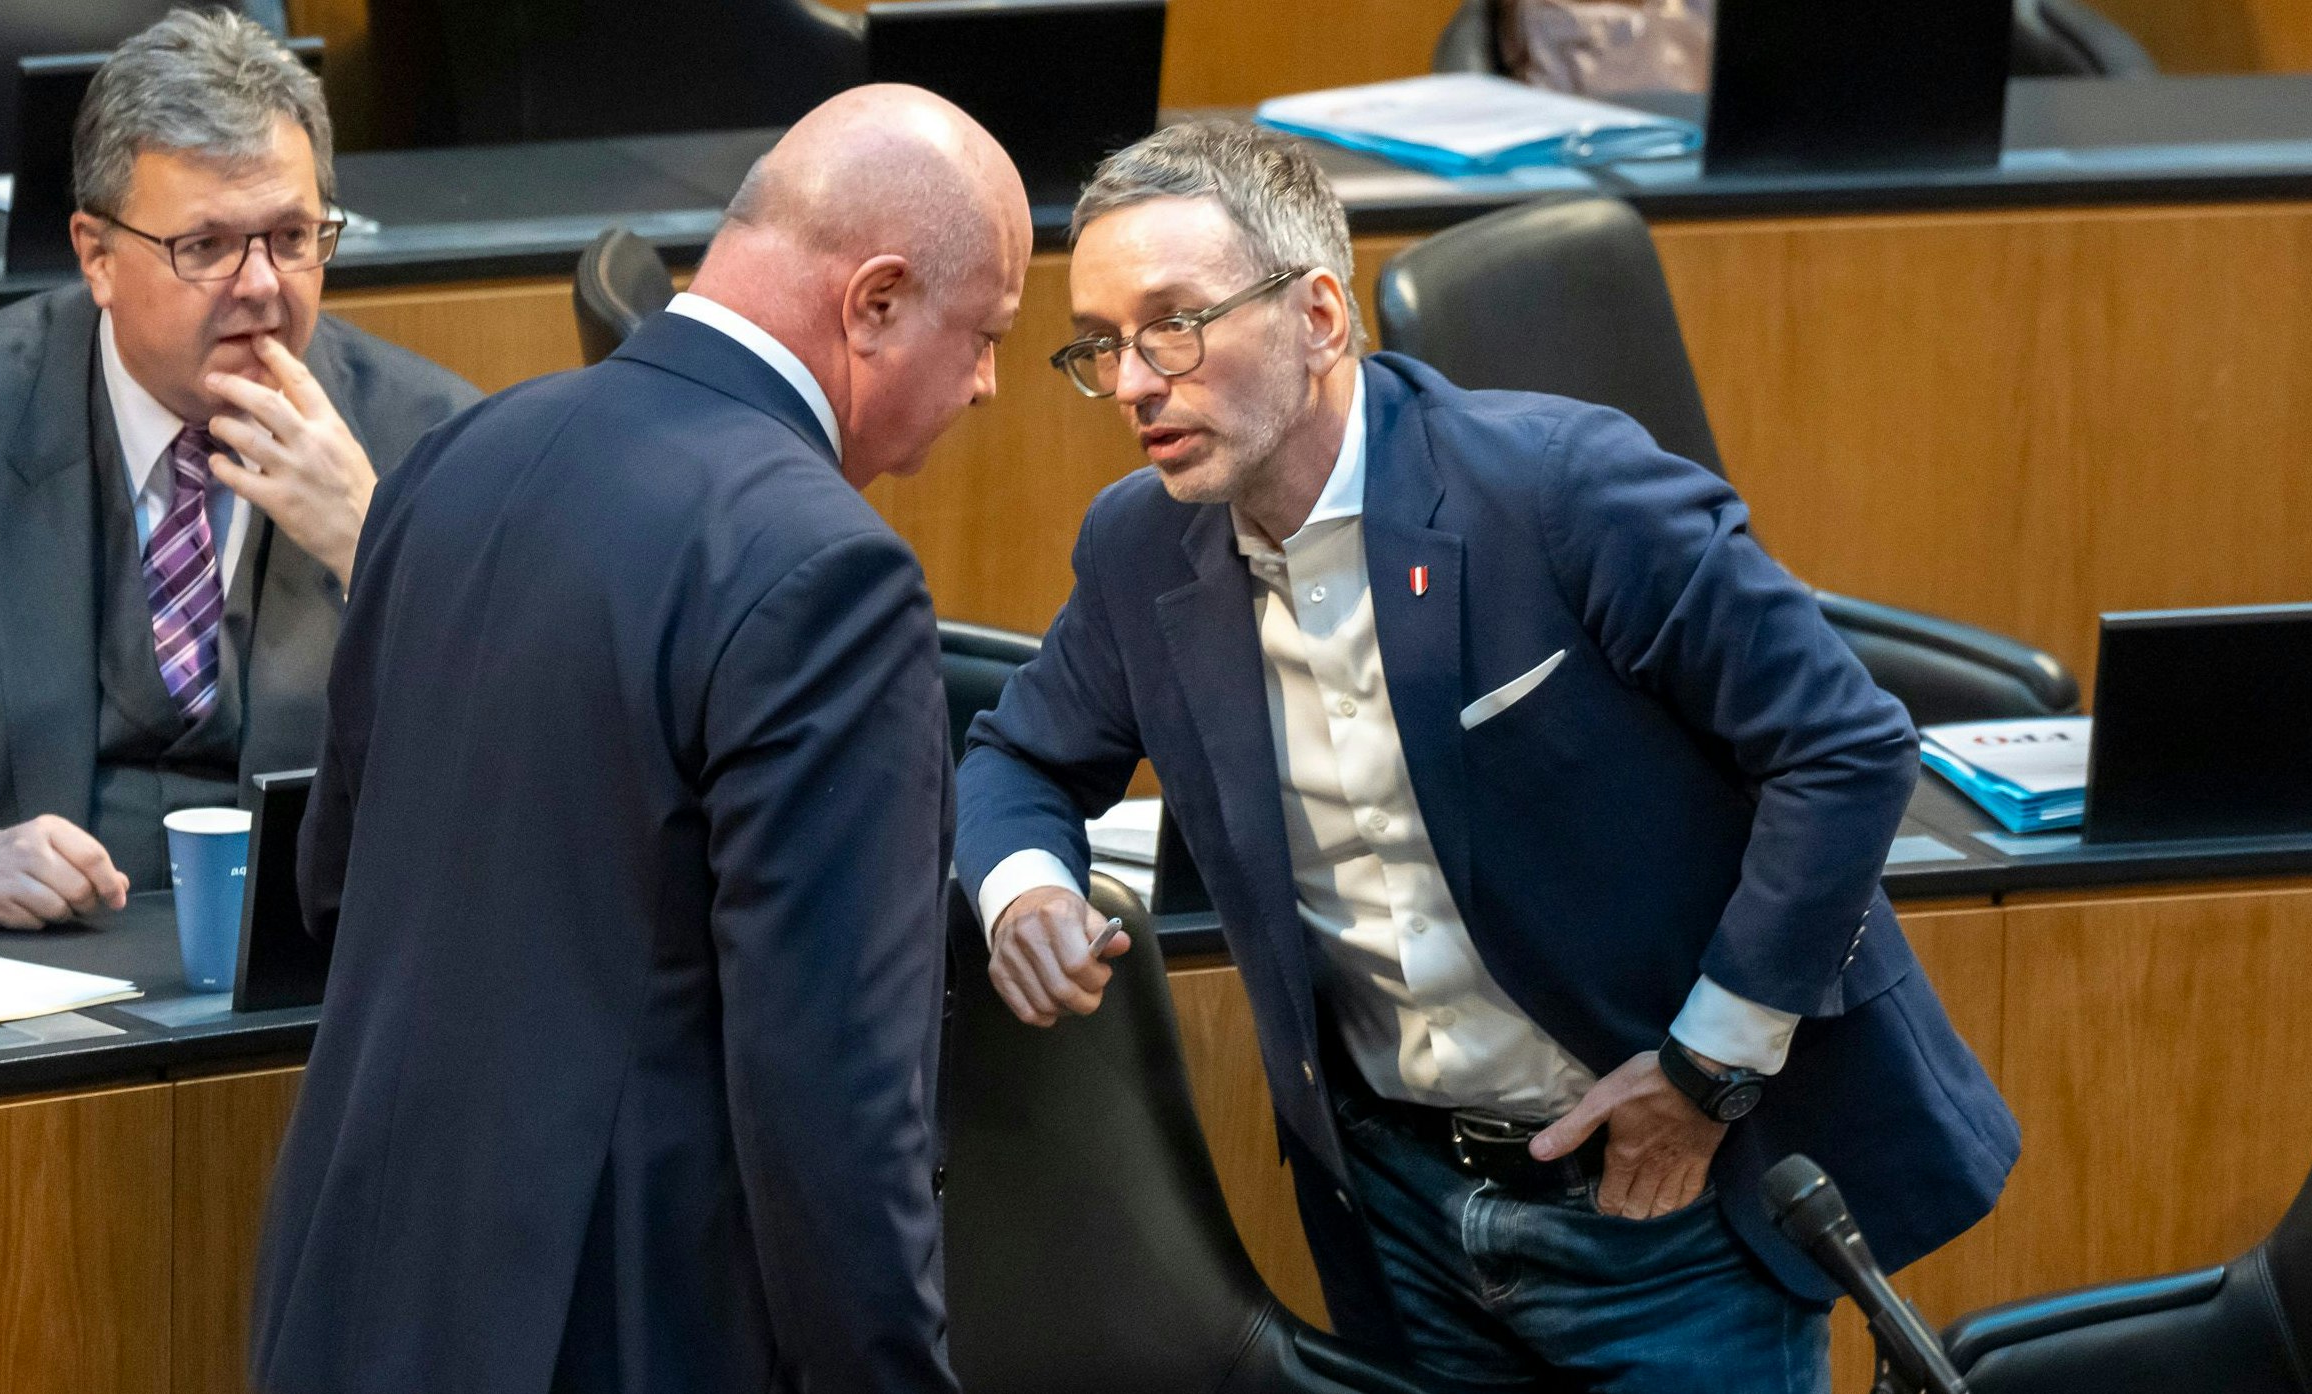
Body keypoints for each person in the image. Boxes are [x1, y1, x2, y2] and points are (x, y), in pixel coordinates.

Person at [956, 122, 2018, 1394]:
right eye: (1101, 343)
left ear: (1319, 317)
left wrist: (1706, 1067)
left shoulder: (1559, 489)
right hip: (1398, 1207)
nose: (1131, 381)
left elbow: (1842, 745)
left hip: (1655, 1201)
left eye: (1173, 324)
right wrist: (1022, 885)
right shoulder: (1142, 549)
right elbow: (1018, 749)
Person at [251, 85, 1030, 1394]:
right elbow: (829, 1111)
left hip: (350, 1301)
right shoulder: (825, 575)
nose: (991, 385)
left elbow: (333, 882)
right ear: (876, 300)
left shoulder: (460, 459)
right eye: (987, 332)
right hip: (619, 1330)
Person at [0, 8, 478, 928]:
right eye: (206, 246)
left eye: (292, 238)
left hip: (316, 985)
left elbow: (536, 760)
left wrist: (371, 545)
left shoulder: (430, 438)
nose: (260, 284)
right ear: (96, 255)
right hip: (4, 989)